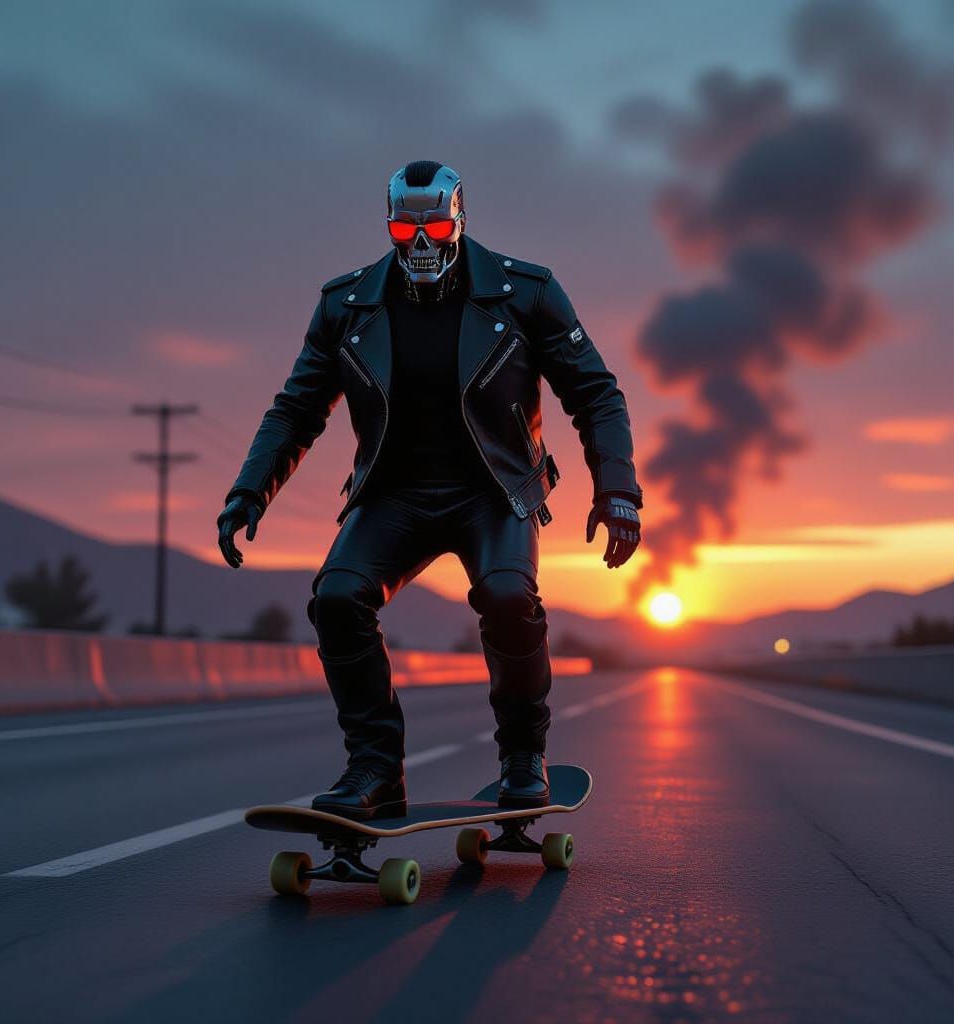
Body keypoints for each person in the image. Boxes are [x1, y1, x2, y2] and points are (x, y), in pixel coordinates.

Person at [217, 161, 642, 820]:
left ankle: (523, 758)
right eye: (405, 226)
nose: (420, 241)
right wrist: (250, 490)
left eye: (436, 224)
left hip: (495, 491)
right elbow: (296, 410)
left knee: (507, 595)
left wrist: (617, 490)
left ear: (460, 219)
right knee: (336, 597)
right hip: (393, 492)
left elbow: (596, 392)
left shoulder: (525, 292)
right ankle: (376, 769)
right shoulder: (346, 304)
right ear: (388, 224)